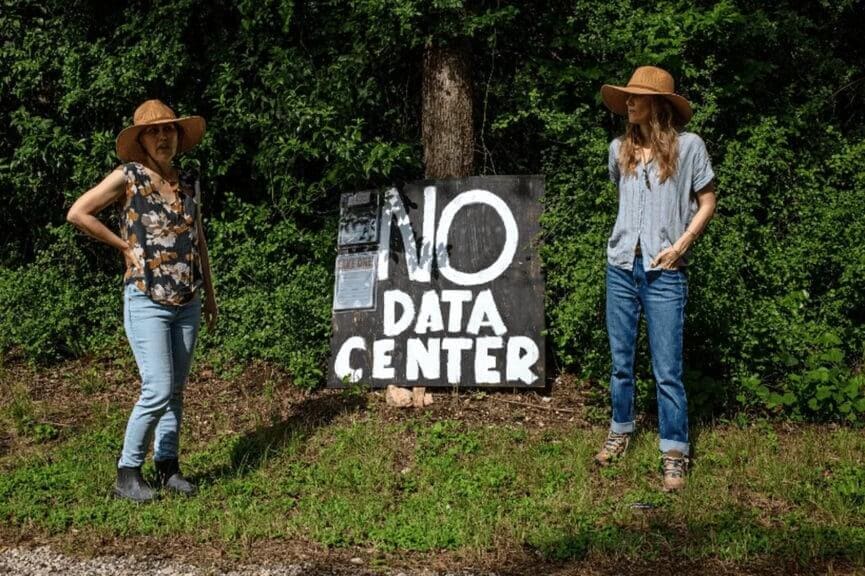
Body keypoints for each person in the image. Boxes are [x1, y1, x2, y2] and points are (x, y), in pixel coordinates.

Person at [67, 99, 217, 502]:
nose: (163, 136)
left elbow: (197, 236)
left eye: (169, 129)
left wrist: (211, 296)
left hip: (187, 299)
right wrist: (123, 246)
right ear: (142, 139)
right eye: (155, 131)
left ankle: (167, 466)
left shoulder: (188, 179)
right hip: (146, 298)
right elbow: (79, 212)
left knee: (177, 390)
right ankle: (127, 473)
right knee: (157, 388)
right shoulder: (129, 176)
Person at [594, 66, 717, 491]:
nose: (628, 103)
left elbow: (707, 200)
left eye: (636, 97)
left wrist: (682, 244)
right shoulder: (618, 150)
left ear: (658, 104)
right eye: (626, 96)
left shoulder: (690, 148)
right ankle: (620, 430)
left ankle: (674, 451)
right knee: (621, 363)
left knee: (667, 369)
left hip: (665, 273)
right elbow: (625, 203)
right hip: (622, 268)